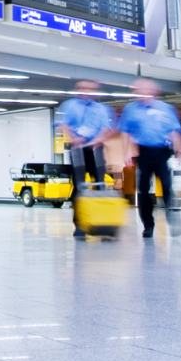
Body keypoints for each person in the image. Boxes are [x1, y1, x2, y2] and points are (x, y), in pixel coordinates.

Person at [118, 79, 181, 238]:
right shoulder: (131, 109)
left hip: (162, 151)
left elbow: (174, 131)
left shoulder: (166, 109)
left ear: (154, 92)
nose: (143, 93)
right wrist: (126, 152)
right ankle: (148, 225)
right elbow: (125, 132)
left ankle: (172, 219)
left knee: (167, 185)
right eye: (140, 90)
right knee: (143, 189)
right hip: (143, 152)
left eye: (146, 90)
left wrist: (180, 149)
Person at [56, 79, 116, 240]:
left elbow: (107, 129)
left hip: (95, 149)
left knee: (100, 185)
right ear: (78, 90)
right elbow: (63, 125)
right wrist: (74, 138)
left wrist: (98, 139)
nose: (86, 91)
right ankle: (80, 225)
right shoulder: (69, 106)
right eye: (82, 88)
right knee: (79, 187)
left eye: (89, 89)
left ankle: (103, 224)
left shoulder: (102, 109)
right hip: (77, 149)